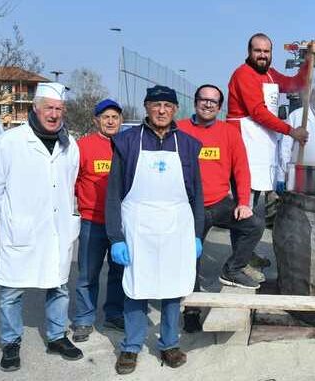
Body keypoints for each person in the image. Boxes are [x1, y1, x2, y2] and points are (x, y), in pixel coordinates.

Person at [0, 82, 83, 372]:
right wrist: (12, 217)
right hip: (22, 229)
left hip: (57, 228)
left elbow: (70, 184)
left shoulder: (70, 144)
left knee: (59, 286)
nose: (54, 114)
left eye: (59, 109)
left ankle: (56, 337)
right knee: (13, 291)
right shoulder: (10, 141)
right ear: (35, 109)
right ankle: (11, 343)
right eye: (49, 108)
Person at [104, 85, 204, 375]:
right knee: (137, 287)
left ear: (175, 110)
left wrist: (197, 233)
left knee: (172, 288)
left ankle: (170, 343)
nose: (162, 111)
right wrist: (116, 238)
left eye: (168, 106)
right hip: (138, 226)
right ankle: (131, 346)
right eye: (156, 105)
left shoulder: (187, 144)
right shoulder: (126, 142)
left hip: (176, 227)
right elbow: (113, 195)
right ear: (146, 107)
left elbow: (196, 194)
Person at [177, 84, 265, 332]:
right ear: (195, 102)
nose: (208, 104)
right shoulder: (179, 129)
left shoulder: (229, 133)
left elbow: (241, 169)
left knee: (254, 225)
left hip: (218, 202)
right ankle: (192, 311)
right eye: (203, 100)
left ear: (219, 106)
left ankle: (232, 269)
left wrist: (244, 202)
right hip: (188, 208)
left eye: (213, 102)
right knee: (191, 261)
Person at [227, 33, 314, 268]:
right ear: (249, 51)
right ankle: (240, 260)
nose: (262, 55)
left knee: (256, 206)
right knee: (246, 206)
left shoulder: (269, 74)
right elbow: (257, 111)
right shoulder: (243, 74)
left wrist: (308, 61)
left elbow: (295, 84)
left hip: (261, 147)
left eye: (266, 51)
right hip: (244, 144)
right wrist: (290, 130)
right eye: (258, 51)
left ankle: (247, 253)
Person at [70, 99, 126, 342]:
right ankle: (84, 319)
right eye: (106, 117)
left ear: (121, 120)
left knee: (118, 272)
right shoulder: (82, 147)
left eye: (115, 117)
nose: (111, 121)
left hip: (121, 225)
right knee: (87, 274)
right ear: (97, 121)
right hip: (92, 222)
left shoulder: (127, 146)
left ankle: (114, 314)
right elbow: (70, 181)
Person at [277, 78, 315, 191]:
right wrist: (282, 174)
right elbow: (285, 148)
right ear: (313, 95)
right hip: (301, 177)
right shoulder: (297, 116)